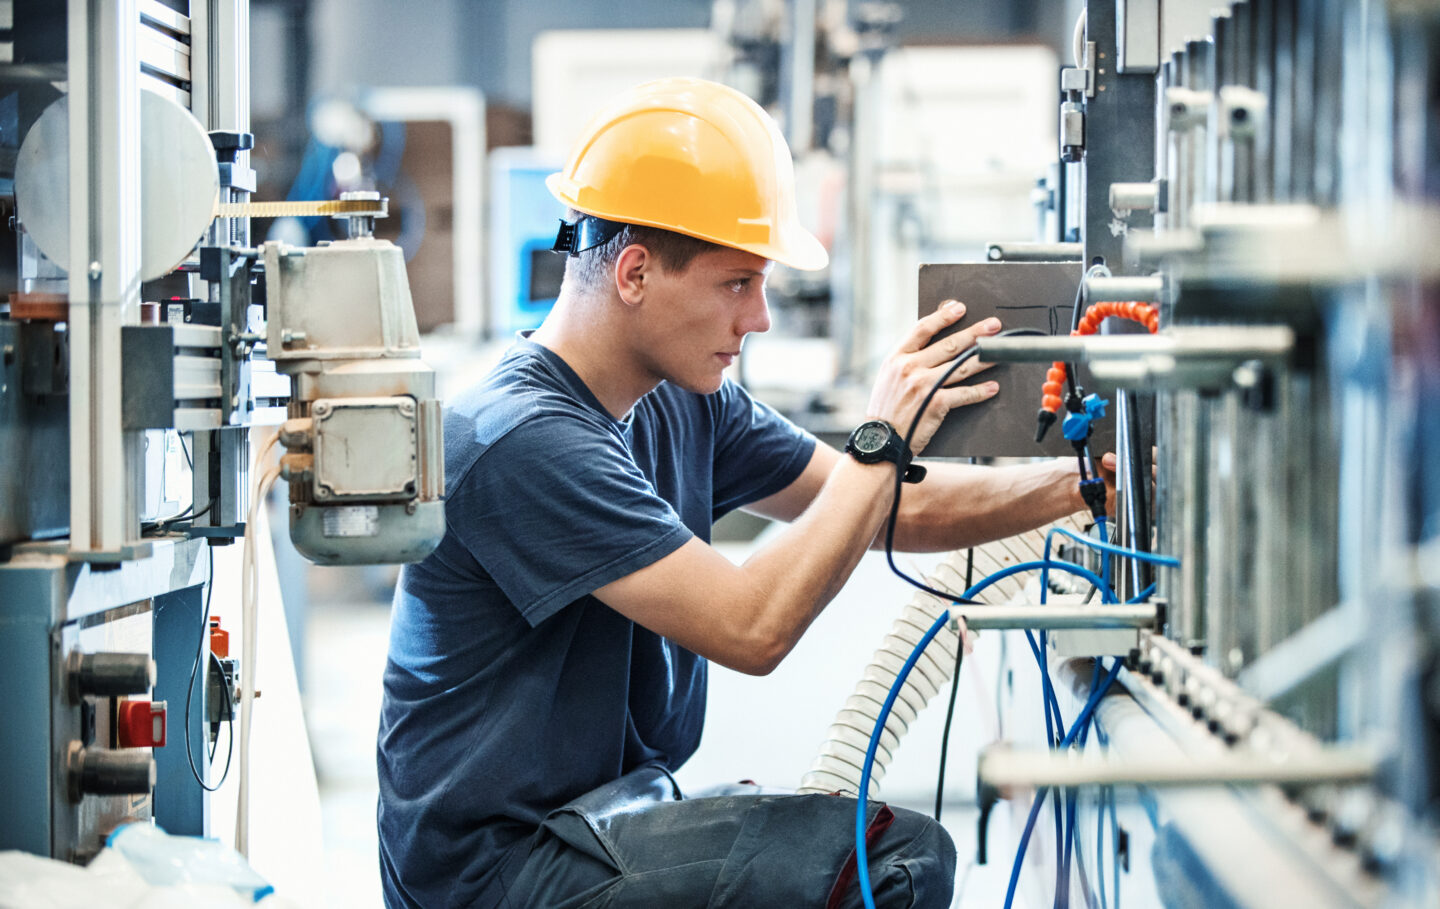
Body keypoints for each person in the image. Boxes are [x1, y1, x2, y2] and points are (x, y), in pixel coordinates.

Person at [378, 77, 1100, 908]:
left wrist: (1081, 482)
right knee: (891, 862)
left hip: (602, 821)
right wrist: (881, 436)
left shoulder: (684, 398)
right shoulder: (520, 437)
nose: (758, 317)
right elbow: (751, 627)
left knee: (841, 843)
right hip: (498, 872)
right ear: (637, 273)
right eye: (737, 283)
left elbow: (887, 508)